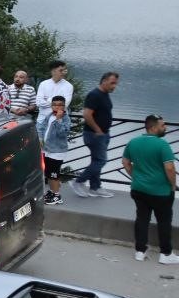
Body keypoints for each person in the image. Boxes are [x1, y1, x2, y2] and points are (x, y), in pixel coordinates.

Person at [121, 114, 176, 264]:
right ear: (153, 127)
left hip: (139, 189)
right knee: (164, 221)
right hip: (160, 191)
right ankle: (165, 254)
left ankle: (140, 251)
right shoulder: (162, 145)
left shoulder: (133, 142)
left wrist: (135, 176)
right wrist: (173, 185)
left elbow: (125, 162)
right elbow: (170, 168)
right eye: (162, 125)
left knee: (142, 219)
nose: (165, 127)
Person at [71, 72, 119, 199]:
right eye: (112, 83)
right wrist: (98, 130)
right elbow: (87, 114)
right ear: (103, 81)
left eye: (116, 84)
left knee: (96, 160)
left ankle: (95, 187)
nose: (114, 86)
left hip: (103, 134)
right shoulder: (94, 95)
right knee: (101, 160)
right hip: (94, 134)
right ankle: (79, 181)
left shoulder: (104, 95)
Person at [37, 95, 71, 205]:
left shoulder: (65, 119)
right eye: (54, 104)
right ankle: (52, 192)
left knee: (54, 174)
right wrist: (40, 138)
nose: (57, 107)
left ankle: (57, 196)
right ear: (51, 106)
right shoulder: (49, 115)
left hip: (57, 151)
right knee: (48, 173)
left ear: (64, 106)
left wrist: (59, 120)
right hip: (46, 149)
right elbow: (41, 127)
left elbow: (62, 133)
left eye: (60, 105)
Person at [34, 60, 73, 128]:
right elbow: (38, 102)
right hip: (42, 121)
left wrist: (48, 100)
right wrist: (57, 102)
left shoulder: (68, 86)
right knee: (40, 139)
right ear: (53, 71)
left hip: (60, 121)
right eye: (61, 70)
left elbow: (65, 104)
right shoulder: (43, 84)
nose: (63, 73)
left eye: (64, 70)